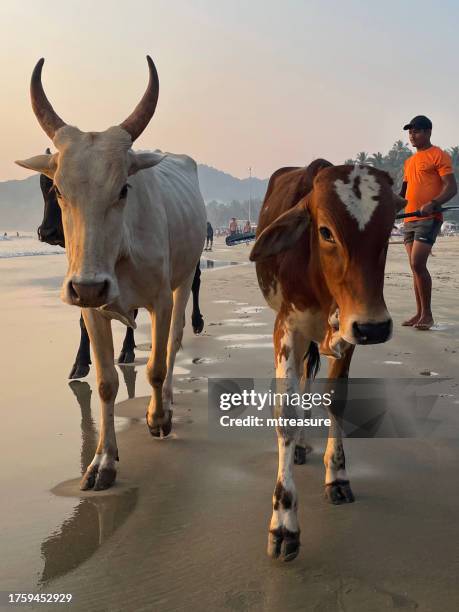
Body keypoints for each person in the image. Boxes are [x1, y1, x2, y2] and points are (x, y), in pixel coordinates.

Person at [400, 115, 457, 330]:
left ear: (428, 132)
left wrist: (433, 203)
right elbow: (403, 194)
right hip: (409, 219)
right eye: (410, 132)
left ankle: (428, 315)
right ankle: (419, 313)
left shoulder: (438, 155)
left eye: (416, 131)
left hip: (429, 219)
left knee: (417, 264)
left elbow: (451, 188)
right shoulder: (409, 161)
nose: (412, 135)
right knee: (415, 268)